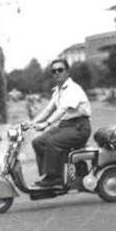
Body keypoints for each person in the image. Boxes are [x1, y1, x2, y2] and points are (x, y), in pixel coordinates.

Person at [28, 59, 92, 187]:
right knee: (38, 142)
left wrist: (46, 124)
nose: (57, 73)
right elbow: (48, 110)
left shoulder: (73, 89)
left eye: (60, 70)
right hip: (65, 126)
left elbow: (63, 109)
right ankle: (51, 174)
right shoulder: (58, 90)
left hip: (79, 127)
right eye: (54, 71)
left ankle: (55, 177)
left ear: (67, 72)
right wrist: (30, 123)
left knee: (52, 141)